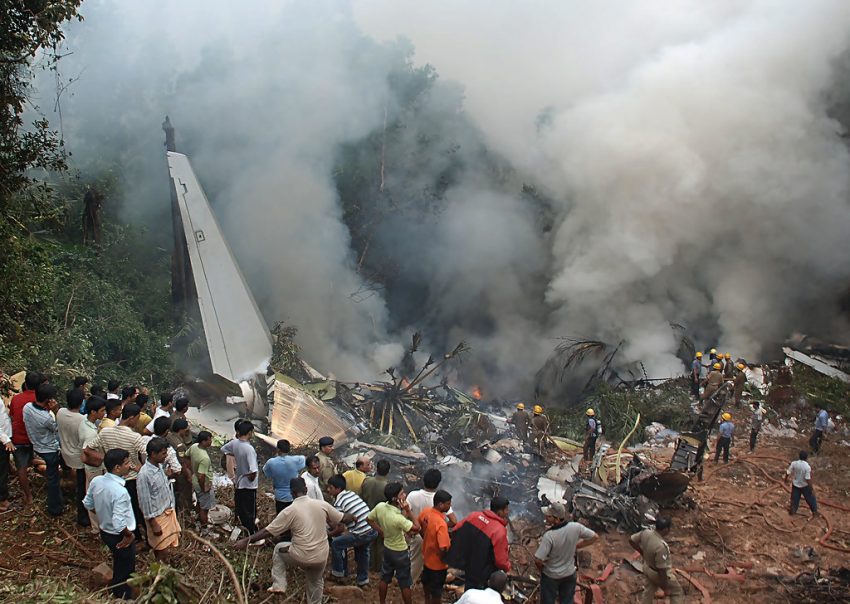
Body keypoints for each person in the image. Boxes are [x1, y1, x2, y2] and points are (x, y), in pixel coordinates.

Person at [234, 477, 344, 603]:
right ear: (306, 489)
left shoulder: (290, 511)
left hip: (301, 556)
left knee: (278, 549)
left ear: (291, 493)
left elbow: (267, 532)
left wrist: (246, 541)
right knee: (316, 582)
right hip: (321, 557)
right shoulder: (322, 505)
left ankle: (279, 585)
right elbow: (341, 520)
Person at [82, 404, 149, 540]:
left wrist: (107, 460)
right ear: (131, 418)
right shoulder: (134, 437)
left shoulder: (106, 432)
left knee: (117, 508)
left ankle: (127, 533)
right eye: (137, 418)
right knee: (135, 509)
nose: (137, 422)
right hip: (131, 479)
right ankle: (138, 538)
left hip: (110, 476)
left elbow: (88, 449)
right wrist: (137, 467)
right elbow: (149, 453)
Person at [83, 448, 136, 600]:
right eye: (126, 464)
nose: (130, 466)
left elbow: (88, 503)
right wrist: (128, 535)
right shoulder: (120, 492)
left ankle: (117, 589)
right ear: (117, 468)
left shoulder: (97, 481)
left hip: (105, 531)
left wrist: (102, 514)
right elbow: (119, 523)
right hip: (119, 534)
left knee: (119, 561)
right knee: (126, 566)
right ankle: (122, 595)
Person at [534, 501, 598, 604]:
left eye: (549, 516)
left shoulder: (549, 536)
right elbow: (594, 537)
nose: (546, 517)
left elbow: (538, 560)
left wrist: (543, 570)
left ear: (557, 519)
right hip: (569, 574)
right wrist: (576, 546)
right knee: (567, 601)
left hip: (551, 577)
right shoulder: (575, 527)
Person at [367, 482, 420, 604]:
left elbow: (369, 519)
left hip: (387, 548)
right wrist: (408, 510)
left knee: (385, 578)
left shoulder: (380, 507)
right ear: (395, 498)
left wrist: (381, 532)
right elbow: (417, 528)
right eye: (402, 493)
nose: (405, 495)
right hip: (400, 552)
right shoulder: (397, 518)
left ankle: (382, 602)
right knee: (405, 583)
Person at [446, 496, 512, 590]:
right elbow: (500, 560)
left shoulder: (475, 516)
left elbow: (456, 529)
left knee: (469, 590)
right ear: (499, 512)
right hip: (483, 573)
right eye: (506, 510)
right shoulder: (499, 530)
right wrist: (507, 567)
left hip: (468, 564)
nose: (507, 512)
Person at [407, 468, 458, 583]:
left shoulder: (413, 495)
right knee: (431, 564)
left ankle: (409, 583)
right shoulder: (440, 500)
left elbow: (405, 513)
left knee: (414, 562)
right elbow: (454, 521)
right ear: (438, 483)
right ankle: (412, 585)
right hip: (433, 539)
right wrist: (440, 527)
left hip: (417, 534)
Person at [327, 474, 378, 587]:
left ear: (338, 489)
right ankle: (363, 580)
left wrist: (329, 534)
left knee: (336, 544)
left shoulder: (338, 503)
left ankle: (338, 573)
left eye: (330, 487)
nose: (328, 490)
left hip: (360, 533)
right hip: (372, 529)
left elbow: (339, 528)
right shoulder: (351, 494)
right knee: (362, 551)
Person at [137, 437, 181, 560]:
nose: (165, 456)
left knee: (167, 545)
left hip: (167, 511)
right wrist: (153, 523)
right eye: (163, 454)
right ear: (153, 454)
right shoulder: (144, 475)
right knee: (161, 547)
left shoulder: (159, 467)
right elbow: (144, 502)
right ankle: (159, 572)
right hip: (157, 517)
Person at [23, 383, 63, 516]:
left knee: (52, 477)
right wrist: (56, 411)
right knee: (53, 479)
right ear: (49, 400)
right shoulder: (46, 417)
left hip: (36, 445)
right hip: (49, 449)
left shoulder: (27, 407)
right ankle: (54, 508)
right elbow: (57, 428)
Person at [630, 517, 683, 604]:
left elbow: (631, 540)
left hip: (647, 567)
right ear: (665, 530)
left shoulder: (646, 533)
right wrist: (665, 588)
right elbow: (661, 570)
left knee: (648, 591)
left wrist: (642, 552)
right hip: (656, 573)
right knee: (677, 592)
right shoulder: (661, 546)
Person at [58, 387, 88, 526]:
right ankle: (82, 516)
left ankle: (65, 493)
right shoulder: (82, 420)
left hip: (65, 453)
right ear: (81, 402)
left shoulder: (60, 412)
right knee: (82, 487)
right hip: (78, 458)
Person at [221, 420, 259, 533]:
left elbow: (223, 449)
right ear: (249, 432)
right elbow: (253, 470)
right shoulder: (249, 449)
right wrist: (251, 478)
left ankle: (241, 528)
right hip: (249, 485)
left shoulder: (235, 443)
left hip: (239, 482)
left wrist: (237, 455)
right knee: (250, 511)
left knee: (241, 508)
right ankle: (250, 533)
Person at [9, 371, 40, 505]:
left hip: (18, 438)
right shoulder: (39, 399)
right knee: (39, 460)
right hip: (35, 438)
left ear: (25, 384)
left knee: (21, 468)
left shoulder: (16, 399)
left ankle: (28, 496)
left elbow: (12, 416)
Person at [419, 489, 453, 604]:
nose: (450, 506)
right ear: (440, 504)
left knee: (427, 585)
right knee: (437, 592)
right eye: (448, 503)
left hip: (427, 559)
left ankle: (426, 601)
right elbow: (443, 547)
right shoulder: (441, 523)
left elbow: (420, 527)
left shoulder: (426, 512)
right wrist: (444, 559)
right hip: (437, 566)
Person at [79, 397, 106, 529]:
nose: (104, 413)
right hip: (93, 467)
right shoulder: (90, 433)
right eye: (102, 411)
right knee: (96, 496)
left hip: (90, 466)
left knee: (90, 492)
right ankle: (98, 526)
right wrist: (103, 458)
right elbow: (86, 451)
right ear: (93, 412)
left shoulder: (84, 421)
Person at [362, 458, 391, 571]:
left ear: (377, 469)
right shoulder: (387, 487)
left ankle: (368, 566)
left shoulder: (367, 481)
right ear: (388, 471)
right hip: (380, 520)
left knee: (368, 544)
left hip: (366, 515)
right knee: (380, 545)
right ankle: (378, 568)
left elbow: (362, 497)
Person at [263, 439, 306, 513]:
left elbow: (266, 473)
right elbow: (304, 459)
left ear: (278, 449)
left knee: (281, 517)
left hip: (280, 496)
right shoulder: (296, 460)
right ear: (289, 449)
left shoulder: (271, 462)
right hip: (294, 495)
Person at [166, 417, 193, 510]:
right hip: (181, 473)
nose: (187, 431)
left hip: (172, 469)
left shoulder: (169, 436)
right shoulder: (180, 446)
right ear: (181, 430)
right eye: (186, 429)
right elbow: (183, 462)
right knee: (184, 493)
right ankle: (185, 511)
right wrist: (188, 475)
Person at [188, 431, 215, 524]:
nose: (211, 441)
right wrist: (204, 488)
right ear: (203, 442)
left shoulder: (194, 446)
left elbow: (187, 456)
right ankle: (204, 527)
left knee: (199, 502)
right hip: (202, 484)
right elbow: (201, 476)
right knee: (205, 509)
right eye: (209, 440)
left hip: (194, 480)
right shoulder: (205, 458)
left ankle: (196, 518)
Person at [785, 450, 818, 516]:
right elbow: (807, 479)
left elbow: (788, 472)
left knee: (794, 499)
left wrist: (785, 479)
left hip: (795, 485)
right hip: (804, 486)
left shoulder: (794, 463)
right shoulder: (807, 467)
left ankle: (793, 511)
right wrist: (811, 488)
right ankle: (815, 512)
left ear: (799, 456)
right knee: (811, 499)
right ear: (806, 458)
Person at [0, 394, 14, 512]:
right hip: (2, 440)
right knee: (1, 470)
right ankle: (2, 500)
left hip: (4, 435)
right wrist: (6, 440)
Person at [317, 436, 338, 501]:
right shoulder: (326, 463)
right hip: (326, 494)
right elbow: (328, 482)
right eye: (330, 446)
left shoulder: (317, 456)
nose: (332, 448)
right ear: (323, 448)